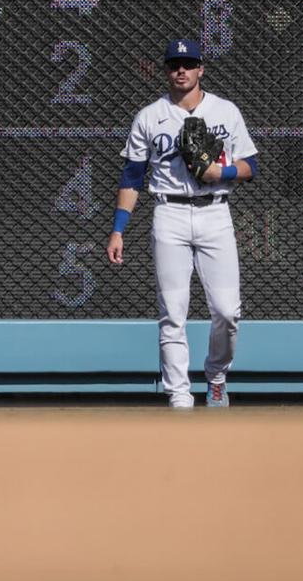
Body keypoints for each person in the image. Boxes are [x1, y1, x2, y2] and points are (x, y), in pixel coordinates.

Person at [106, 39, 259, 408]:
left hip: (215, 212)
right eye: (175, 64)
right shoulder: (149, 116)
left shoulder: (225, 111)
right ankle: (179, 395)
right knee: (172, 313)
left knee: (227, 311)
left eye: (188, 63)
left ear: (201, 69)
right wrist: (118, 228)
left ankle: (217, 376)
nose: (181, 70)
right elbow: (132, 177)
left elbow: (251, 166)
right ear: (166, 70)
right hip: (169, 213)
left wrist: (218, 171)